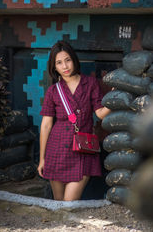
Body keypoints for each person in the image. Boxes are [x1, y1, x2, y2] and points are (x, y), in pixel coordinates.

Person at [37, 41, 112, 201]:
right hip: (56, 150)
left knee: (69, 204)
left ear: (74, 60)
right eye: (59, 62)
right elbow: (46, 125)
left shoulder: (90, 83)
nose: (65, 66)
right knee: (58, 204)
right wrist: (42, 158)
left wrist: (115, 99)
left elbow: (100, 113)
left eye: (68, 60)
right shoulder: (53, 91)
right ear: (54, 67)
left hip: (82, 149)